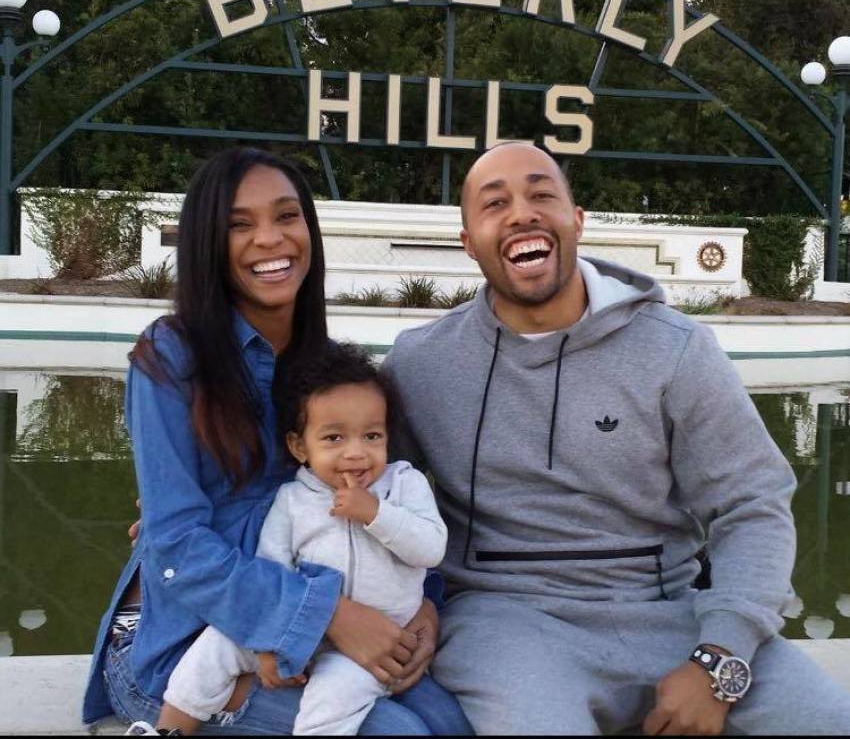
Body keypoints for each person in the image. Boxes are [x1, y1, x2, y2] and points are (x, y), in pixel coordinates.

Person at [383, 141, 850, 735]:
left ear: (576, 221)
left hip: (671, 611)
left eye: (541, 194)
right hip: (506, 623)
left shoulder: (676, 348)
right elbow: (366, 498)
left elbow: (752, 505)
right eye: (494, 203)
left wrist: (719, 658)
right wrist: (416, 599)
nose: (522, 213)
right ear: (468, 242)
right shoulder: (421, 363)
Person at [81, 147, 472, 736]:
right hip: (183, 650)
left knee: (451, 722)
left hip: (326, 631)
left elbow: (393, 497)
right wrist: (318, 618)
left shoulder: (330, 374)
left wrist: (425, 609)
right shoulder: (171, 356)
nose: (270, 239)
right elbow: (178, 543)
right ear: (209, 243)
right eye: (240, 224)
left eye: (287, 217)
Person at [144, 341, 448, 736]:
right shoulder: (292, 499)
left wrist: (376, 514)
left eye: (371, 436)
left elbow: (431, 548)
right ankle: (169, 728)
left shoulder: (403, 485)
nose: (356, 453)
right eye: (334, 439)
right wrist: (270, 639)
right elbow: (273, 568)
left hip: (375, 643)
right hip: (302, 628)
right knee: (215, 646)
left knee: (330, 705)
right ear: (299, 446)